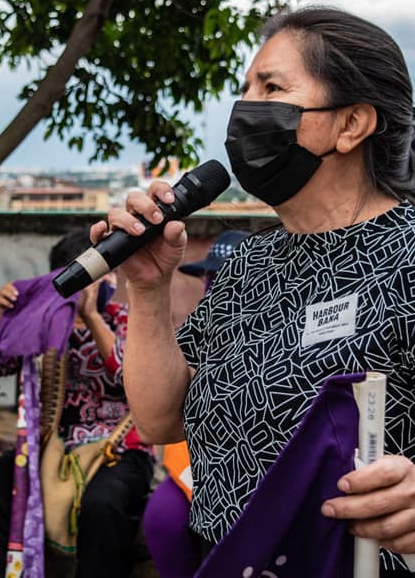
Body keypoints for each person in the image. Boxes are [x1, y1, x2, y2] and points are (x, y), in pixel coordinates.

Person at [98, 6, 415, 576]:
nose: (246, 107)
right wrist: (148, 290)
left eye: (270, 87)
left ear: (351, 125)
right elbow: (160, 418)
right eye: (246, 87)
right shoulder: (251, 261)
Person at [0, 229, 154, 578]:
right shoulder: (40, 321)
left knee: (102, 506)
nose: (98, 283)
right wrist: (1, 316)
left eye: (103, 273)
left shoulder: (126, 318)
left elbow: (134, 378)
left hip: (118, 450)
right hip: (46, 449)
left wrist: (92, 317)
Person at [141, 229, 250, 578]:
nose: (213, 285)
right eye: (209, 276)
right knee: (163, 516)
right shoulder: (201, 323)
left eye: (223, 277)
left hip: (257, 465)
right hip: (193, 456)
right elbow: (161, 414)